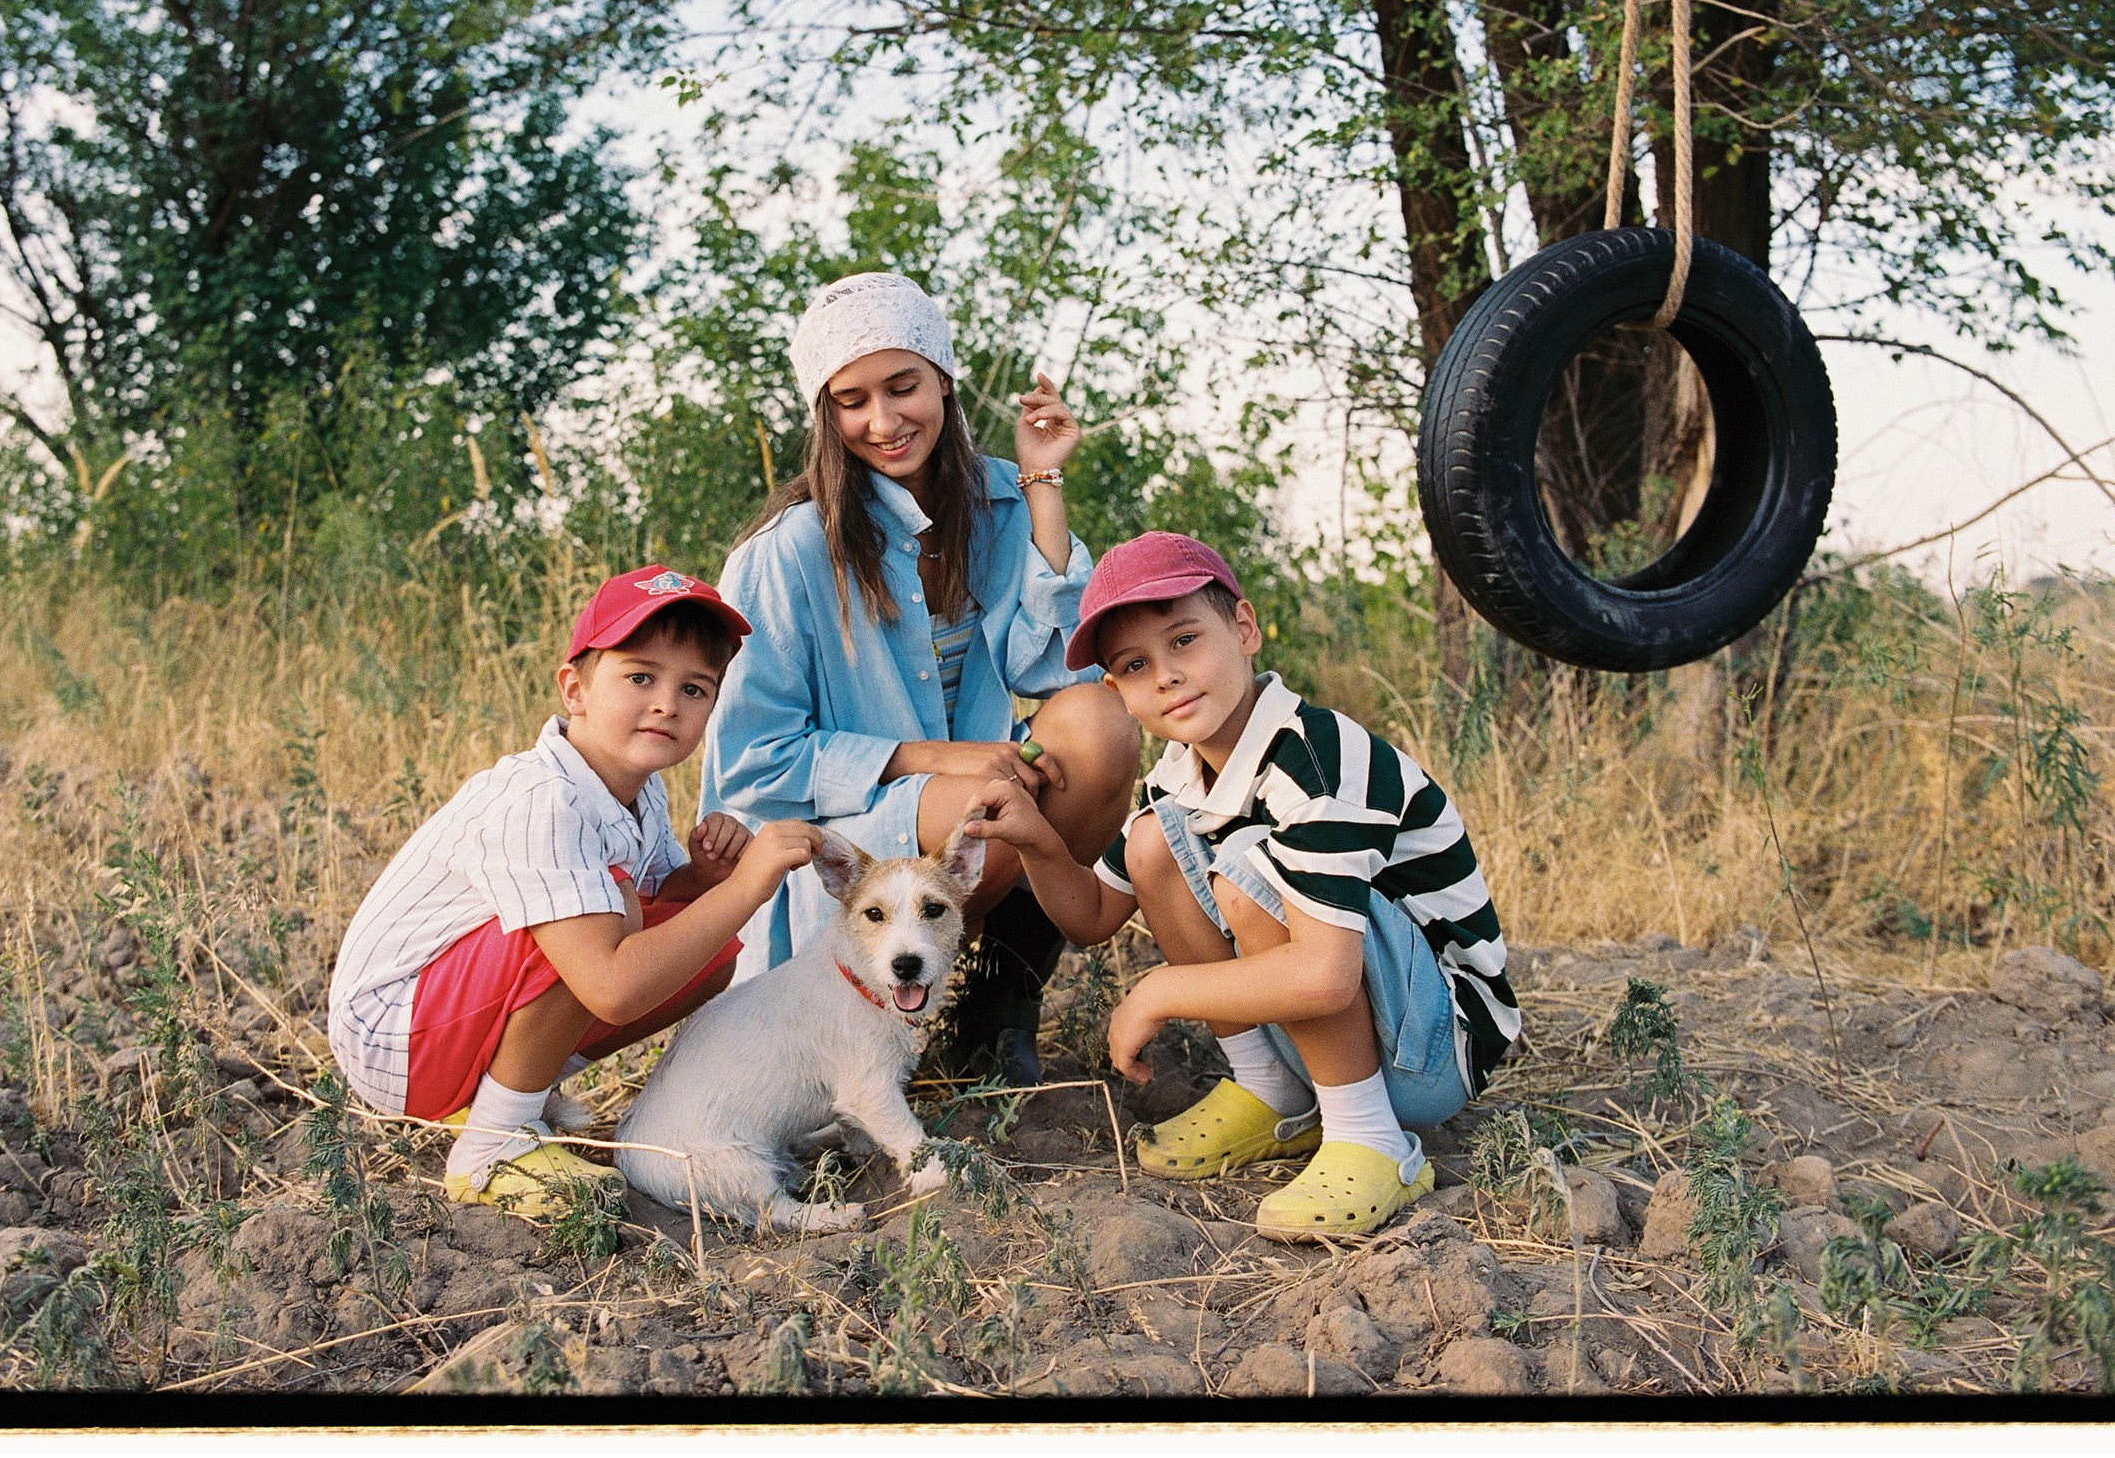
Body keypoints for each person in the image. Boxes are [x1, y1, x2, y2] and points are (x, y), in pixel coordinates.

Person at [962, 532, 1522, 1241]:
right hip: (1366, 1021)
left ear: (1245, 628)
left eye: (1185, 640)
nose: (1167, 675)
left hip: (1435, 1047)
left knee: (1248, 869)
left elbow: (1322, 977)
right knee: (1153, 841)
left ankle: (1371, 1137)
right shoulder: (1178, 772)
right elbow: (1093, 916)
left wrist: (1157, 992)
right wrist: (1036, 841)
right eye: (1136, 665)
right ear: (1117, 692)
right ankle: (1275, 1094)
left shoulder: (1313, 759)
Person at [700, 271, 1140, 1082]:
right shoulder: (788, 550)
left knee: (1100, 725)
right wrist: (939, 757)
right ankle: (881, 1012)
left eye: (904, 387)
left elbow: (1054, 662)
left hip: (969, 801)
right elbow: (753, 760)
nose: (883, 420)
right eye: (852, 400)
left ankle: (998, 1002)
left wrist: (1043, 482)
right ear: (825, 414)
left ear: (943, 376)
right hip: (837, 829)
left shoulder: (1001, 501)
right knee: (994, 793)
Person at [326, 565, 823, 1213]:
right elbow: (612, 985)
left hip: (446, 1031)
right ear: (575, 689)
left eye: (695, 689)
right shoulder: (543, 800)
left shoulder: (635, 788)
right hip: (393, 1036)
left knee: (707, 950)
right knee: (608, 920)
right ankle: (492, 1145)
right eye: (640, 677)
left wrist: (703, 880)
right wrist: (749, 886)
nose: (667, 703)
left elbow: (659, 906)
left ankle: (507, 1093)